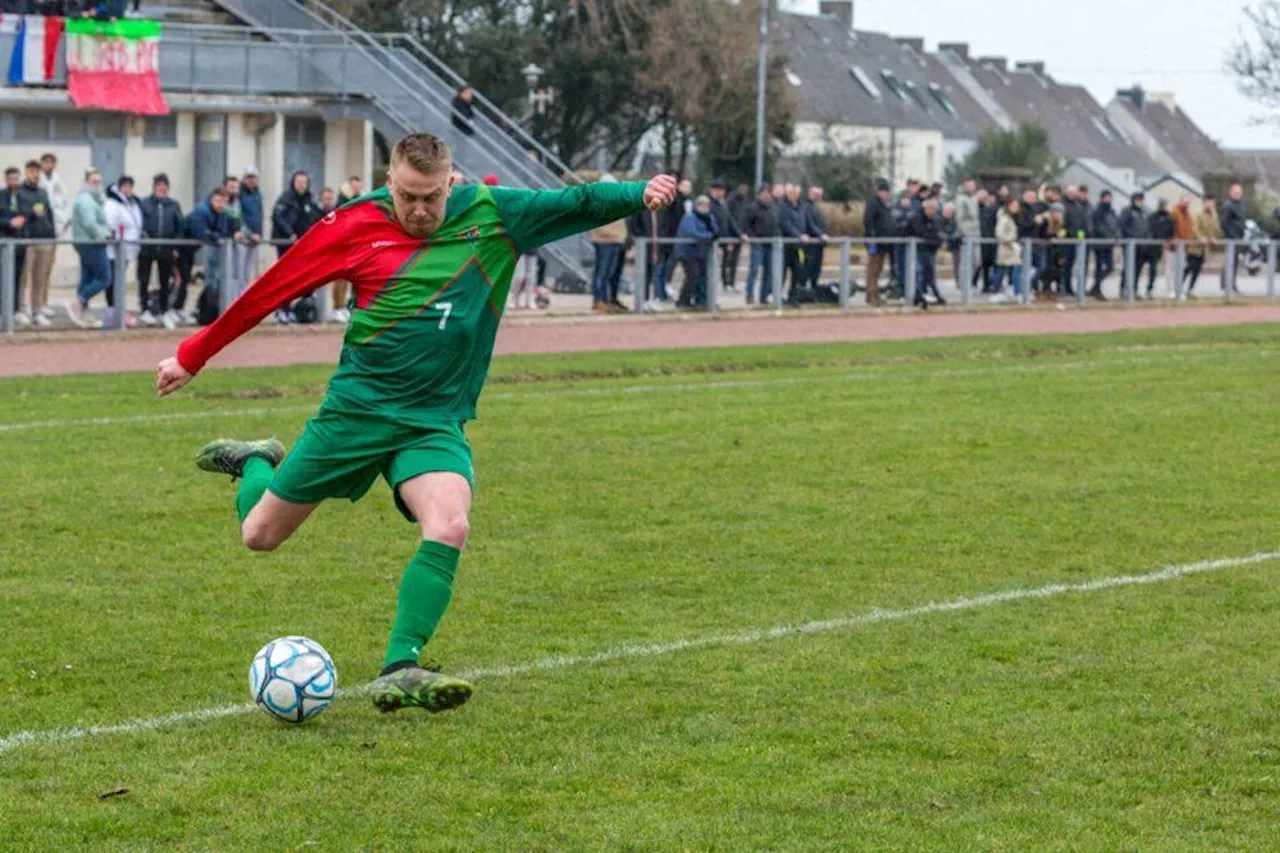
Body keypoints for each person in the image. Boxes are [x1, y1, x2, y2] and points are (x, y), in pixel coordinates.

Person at [153, 133, 677, 714]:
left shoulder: (493, 215)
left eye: (430, 197)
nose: (420, 210)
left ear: (450, 183)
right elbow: (269, 290)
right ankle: (255, 460)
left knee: (450, 524)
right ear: (389, 180)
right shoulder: (352, 224)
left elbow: (575, 205)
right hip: (355, 412)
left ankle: (400, 666)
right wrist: (192, 355)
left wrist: (638, 193)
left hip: (431, 420)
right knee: (260, 536)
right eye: (407, 197)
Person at [271, 171, 321, 323]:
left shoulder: (309, 200)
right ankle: (282, 309)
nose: (301, 185)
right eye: (298, 182)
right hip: (286, 244)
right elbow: (277, 217)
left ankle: (302, 308)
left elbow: (316, 216)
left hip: (303, 246)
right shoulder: (286, 198)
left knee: (305, 277)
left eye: (304, 182)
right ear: (293, 182)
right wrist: (290, 234)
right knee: (285, 278)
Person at [138, 173, 185, 328]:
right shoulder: (144, 203)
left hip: (166, 250)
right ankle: (144, 310)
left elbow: (180, 226)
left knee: (165, 281)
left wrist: (176, 247)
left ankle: (164, 311)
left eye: (164, 186)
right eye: (158, 185)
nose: (161, 188)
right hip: (146, 250)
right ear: (154, 187)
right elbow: (139, 223)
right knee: (143, 280)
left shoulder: (174, 205)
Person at [69, 168, 111, 328]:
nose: (97, 184)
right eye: (94, 181)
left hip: (89, 242)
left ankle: (82, 310)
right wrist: (106, 235)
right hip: (91, 243)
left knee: (87, 277)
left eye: (99, 181)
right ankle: (78, 302)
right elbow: (90, 224)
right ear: (87, 182)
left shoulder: (92, 199)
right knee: (103, 278)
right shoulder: (85, 200)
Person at [16, 160, 55, 327]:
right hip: (27, 240)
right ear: (26, 173)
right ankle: (21, 309)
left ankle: (37, 311)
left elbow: (49, 213)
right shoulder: (19, 192)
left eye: (37, 171)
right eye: (32, 171)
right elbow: (19, 214)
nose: (35, 174)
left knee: (40, 278)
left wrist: (52, 233)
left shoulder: (43, 192)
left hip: (44, 239)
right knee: (23, 278)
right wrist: (31, 213)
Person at [35, 152, 69, 326]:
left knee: (48, 268)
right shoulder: (38, 181)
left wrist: (63, 222)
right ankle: (35, 304)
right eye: (46, 162)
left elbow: (63, 201)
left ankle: (44, 302)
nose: (49, 165)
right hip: (40, 230)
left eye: (52, 162)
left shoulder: (58, 180)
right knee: (35, 272)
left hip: (54, 229)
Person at [105, 175, 143, 325]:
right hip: (115, 251)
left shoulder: (133, 203)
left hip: (128, 251)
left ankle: (119, 310)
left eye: (130, 186)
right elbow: (111, 225)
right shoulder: (113, 203)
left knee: (120, 282)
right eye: (125, 186)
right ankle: (113, 311)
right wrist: (116, 238)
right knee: (113, 282)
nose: (128, 190)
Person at [589, 174, 627, 313]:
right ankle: (598, 300)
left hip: (616, 241)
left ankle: (605, 300)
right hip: (604, 241)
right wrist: (616, 235)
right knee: (601, 273)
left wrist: (621, 236)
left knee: (608, 274)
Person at [675, 194, 716, 309]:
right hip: (687, 252)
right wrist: (709, 236)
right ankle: (683, 301)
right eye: (702, 205)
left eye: (707, 205)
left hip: (699, 252)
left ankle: (699, 301)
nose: (705, 207)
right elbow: (692, 233)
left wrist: (712, 233)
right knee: (692, 275)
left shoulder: (707, 218)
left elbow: (715, 230)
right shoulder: (690, 217)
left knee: (699, 276)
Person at [742, 184, 780, 306]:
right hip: (757, 243)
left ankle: (764, 296)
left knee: (769, 272)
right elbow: (746, 225)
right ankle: (749, 295)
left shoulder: (773, 208)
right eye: (764, 193)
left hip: (770, 243)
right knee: (754, 270)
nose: (766, 195)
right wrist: (752, 237)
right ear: (759, 194)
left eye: (768, 193)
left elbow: (776, 225)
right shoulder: (752, 208)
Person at [0, 167, 29, 319]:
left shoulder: (23, 197)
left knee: (17, 276)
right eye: (11, 179)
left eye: (16, 179)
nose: (14, 182)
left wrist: (24, 220)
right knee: (2, 276)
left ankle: (14, 309)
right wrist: (9, 222)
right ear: (6, 180)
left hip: (20, 243)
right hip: (4, 243)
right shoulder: (1, 196)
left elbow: (28, 216)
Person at [908, 196, 945, 307]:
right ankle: (918, 296)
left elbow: (938, 232)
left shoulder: (937, 219)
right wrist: (933, 235)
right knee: (919, 272)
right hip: (919, 249)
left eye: (933, 208)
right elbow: (921, 232)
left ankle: (932, 295)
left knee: (929, 273)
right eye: (929, 208)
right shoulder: (917, 217)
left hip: (931, 249)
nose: (931, 211)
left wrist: (933, 235)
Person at [862, 179, 893, 306]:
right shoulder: (873, 202)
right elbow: (868, 221)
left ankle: (874, 294)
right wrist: (872, 239)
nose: (886, 194)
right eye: (884, 192)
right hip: (875, 241)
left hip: (883, 242)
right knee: (873, 270)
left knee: (878, 269)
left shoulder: (883, 203)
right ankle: (871, 295)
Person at [1119, 192, 1154, 299]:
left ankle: (1134, 289)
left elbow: (1148, 227)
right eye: (1138, 199)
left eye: (1141, 200)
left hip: (1142, 246)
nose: (1140, 202)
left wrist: (1148, 238)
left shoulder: (1144, 212)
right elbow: (1122, 225)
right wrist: (1131, 236)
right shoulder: (1127, 211)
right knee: (1128, 268)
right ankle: (1124, 290)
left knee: (1138, 269)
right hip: (1130, 245)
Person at [238, 166, 265, 302]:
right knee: (239, 270)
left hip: (255, 237)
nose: (251, 180)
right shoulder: (240, 193)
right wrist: (248, 233)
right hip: (244, 238)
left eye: (253, 177)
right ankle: (237, 297)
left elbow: (259, 215)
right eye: (249, 177)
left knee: (248, 271)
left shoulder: (258, 194)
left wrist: (260, 233)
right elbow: (239, 216)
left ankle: (244, 296)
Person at [778, 183, 808, 302]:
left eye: (796, 193)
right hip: (786, 246)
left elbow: (805, 222)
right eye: (792, 193)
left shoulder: (801, 206)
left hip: (799, 247)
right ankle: (777, 296)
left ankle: (794, 296)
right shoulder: (782, 206)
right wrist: (798, 235)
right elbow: (785, 224)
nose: (794, 196)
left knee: (798, 271)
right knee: (782, 273)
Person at [990, 197, 1023, 301]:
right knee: (1004, 271)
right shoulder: (1004, 218)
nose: (1017, 208)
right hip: (1007, 248)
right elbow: (1000, 234)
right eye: (1014, 206)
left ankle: (1014, 291)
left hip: (1011, 249)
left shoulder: (1012, 218)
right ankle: (1017, 293)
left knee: (1007, 270)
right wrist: (1011, 240)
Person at [1188, 195, 1220, 297]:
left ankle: (1190, 290)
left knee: (1197, 269)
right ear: (1204, 203)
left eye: (1212, 202)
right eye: (1208, 202)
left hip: (1203, 249)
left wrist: (1213, 238)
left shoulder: (1214, 215)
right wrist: (1201, 238)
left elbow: (1215, 229)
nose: (1210, 204)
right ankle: (1179, 288)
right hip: (1194, 247)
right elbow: (1195, 228)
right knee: (1189, 267)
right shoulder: (1199, 214)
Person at [1089, 190, 1119, 300]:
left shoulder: (1112, 211)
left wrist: (1116, 236)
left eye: (1109, 197)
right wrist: (1107, 236)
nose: (1108, 199)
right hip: (1099, 244)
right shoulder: (1098, 211)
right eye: (1106, 197)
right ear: (1101, 198)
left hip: (1108, 245)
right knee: (1100, 267)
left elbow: (1116, 224)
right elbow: (1097, 227)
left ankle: (1095, 287)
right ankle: (1096, 289)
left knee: (1110, 267)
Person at [802, 185, 831, 289]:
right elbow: (810, 224)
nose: (819, 197)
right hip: (811, 245)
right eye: (817, 195)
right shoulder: (806, 207)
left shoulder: (816, 207)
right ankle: (803, 291)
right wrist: (821, 234)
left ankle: (814, 290)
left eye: (820, 195)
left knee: (817, 269)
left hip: (819, 244)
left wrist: (826, 233)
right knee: (808, 268)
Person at [1146, 198, 1175, 298]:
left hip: (1167, 246)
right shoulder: (1153, 217)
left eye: (1165, 205)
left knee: (1169, 268)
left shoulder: (1170, 217)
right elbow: (1150, 230)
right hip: (1154, 247)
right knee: (1153, 268)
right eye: (1163, 205)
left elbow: (1172, 230)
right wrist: (1157, 241)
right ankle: (1149, 289)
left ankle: (1170, 290)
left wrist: (1168, 240)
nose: (1164, 207)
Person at [1221, 183, 1246, 294]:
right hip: (1231, 239)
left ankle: (1232, 285)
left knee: (1235, 262)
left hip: (1239, 238)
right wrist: (1232, 235)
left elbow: (1241, 222)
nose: (1237, 195)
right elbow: (1225, 223)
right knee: (1229, 262)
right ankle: (1226, 286)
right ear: (1231, 193)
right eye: (1236, 192)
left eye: (1239, 193)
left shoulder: (1240, 205)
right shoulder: (1228, 206)